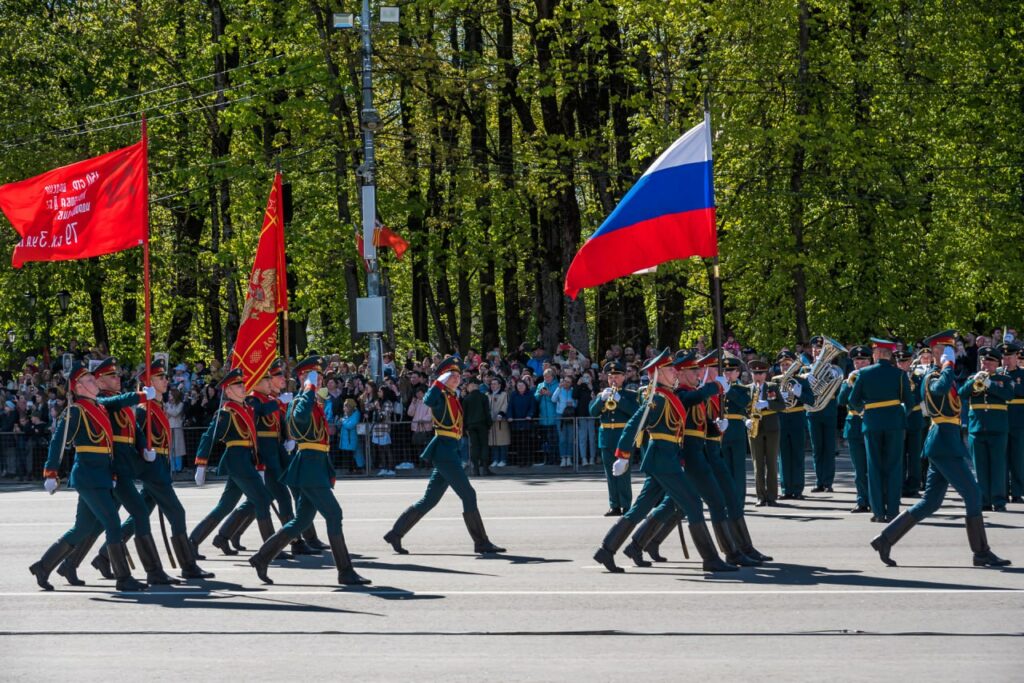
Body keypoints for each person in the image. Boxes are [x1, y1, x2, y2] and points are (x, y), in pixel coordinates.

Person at [871, 331, 1011, 568]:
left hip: (946, 441)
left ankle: (885, 539)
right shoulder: (933, 375)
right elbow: (938, 390)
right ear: (936, 351)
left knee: (931, 502)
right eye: (946, 349)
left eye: (951, 349)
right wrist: (947, 365)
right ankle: (981, 552)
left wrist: (950, 367)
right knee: (974, 495)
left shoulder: (945, 373)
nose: (951, 352)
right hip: (944, 443)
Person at [592, 349, 734, 574]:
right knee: (693, 504)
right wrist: (623, 455)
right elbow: (634, 424)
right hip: (662, 459)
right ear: (656, 373)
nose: (673, 371)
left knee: (639, 510)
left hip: (667, 458)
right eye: (669, 369)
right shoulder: (657, 399)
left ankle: (606, 550)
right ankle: (710, 558)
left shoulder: (669, 395)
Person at [54, 358, 178, 587]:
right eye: (111, 376)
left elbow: (134, 430)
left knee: (97, 523)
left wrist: (143, 447)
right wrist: (141, 396)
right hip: (112, 470)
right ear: (98, 381)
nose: (117, 378)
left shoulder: (109, 404)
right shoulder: (101, 403)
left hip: (119, 470)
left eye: (117, 375)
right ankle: (150, 572)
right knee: (132, 515)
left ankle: (72, 564)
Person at [249, 356, 370, 585]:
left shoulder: (312, 401)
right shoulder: (300, 401)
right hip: (310, 466)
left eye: (320, 376)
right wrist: (308, 387)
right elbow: (299, 417)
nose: (320, 379)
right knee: (334, 514)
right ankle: (345, 571)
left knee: (300, 521)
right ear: (304, 377)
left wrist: (311, 391)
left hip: (316, 464)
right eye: (315, 375)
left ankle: (262, 557)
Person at [30, 363, 148, 592]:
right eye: (91, 381)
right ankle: (123, 578)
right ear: (79, 386)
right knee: (112, 522)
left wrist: (112, 472)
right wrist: (51, 471)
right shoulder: (76, 410)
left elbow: (108, 443)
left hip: (100, 475)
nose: (96, 383)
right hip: (87, 475)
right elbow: (58, 441)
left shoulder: (99, 408)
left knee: (82, 528)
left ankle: (43, 567)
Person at [383, 357, 505, 555]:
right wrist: (438, 381)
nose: (457, 379)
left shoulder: (452, 396)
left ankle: (395, 534)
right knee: (468, 494)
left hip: (450, 449)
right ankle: (481, 542)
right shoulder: (439, 394)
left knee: (429, 500)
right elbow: (429, 400)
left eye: (458, 376)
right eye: (452, 376)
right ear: (444, 378)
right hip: (445, 452)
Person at [189, 368, 277, 556]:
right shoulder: (226, 413)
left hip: (246, 460)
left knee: (226, 506)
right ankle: (270, 549)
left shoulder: (247, 409)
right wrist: (201, 463)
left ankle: (201, 540)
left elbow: (253, 439)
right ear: (228, 391)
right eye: (238, 385)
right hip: (237, 461)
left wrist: (258, 464)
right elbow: (208, 436)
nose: (243, 387)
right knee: (262, 499)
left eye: (243, 383)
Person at [849, 338, 915, 522]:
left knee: (874, 467)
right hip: (894, 424)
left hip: (872, 424)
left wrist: (865, 411)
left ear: (877, 354)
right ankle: (893, 511)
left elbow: (853, 400)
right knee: (894, 467)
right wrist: (900, 414)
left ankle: (878, 512)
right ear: (890, 355)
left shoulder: (864, 373)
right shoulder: (899, 374)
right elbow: (909, 403)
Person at [961, 346, 1014, 511]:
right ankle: (983, 500)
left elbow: (1009, 396)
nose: (987, 365)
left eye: (990, 362)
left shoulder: (1004, 379)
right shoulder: (973, 377)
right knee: (980, 467)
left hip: (997, 428)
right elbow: (962, 393)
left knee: (998, 467)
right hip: (977, 428)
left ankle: (998, 501)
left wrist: (990, 384)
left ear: (997, 363)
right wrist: (972, 382)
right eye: (984, 361)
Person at [589, 361, 638, 516]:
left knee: (624, 472)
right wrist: (600, 400)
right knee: (610, 474)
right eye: (610, 377)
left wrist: (619, 400)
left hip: (622, 437)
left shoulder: (630, 395)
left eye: (616, 376)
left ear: (623, 377)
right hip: (606, 438)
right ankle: (614, 505)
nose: (613, 379)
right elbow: (592, 412)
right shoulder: (601, 395)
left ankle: (626, 505)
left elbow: (636, 412)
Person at [837, 346, 873, 513]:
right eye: (857, 361)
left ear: (870, 361)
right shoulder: (849, 380)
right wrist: (849, 383)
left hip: (872, 423)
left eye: (863, 360)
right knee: (859, 469)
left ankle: (875, 499)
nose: (859, 363)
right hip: (854, 425)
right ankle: (861, 500)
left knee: (873, 466)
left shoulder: (874, 378)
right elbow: (841, 400)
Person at [745, 359, 785, 506]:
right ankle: (761, 496)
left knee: (772, 463)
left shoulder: (772, 386)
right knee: (758, 464)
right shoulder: (747, 388)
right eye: (755, 373)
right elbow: (741, 408)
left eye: (761, 373)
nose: (758, 376)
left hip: (771, 428)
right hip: (754, 428)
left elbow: (782, 405)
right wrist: (745, 420)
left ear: (766, 374)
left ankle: (772, 496)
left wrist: (768, 404)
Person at [775, 350, 814, 500]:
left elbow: (811, 400)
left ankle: (797, 489)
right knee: (783, 455)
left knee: (797, 454)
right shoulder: (775, 381)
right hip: (781, 418)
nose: (785, 367)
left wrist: (799, 394)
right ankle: (786, 489)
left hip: (797, 417)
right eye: (782, 365)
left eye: (788, 364)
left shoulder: (802, 381)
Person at [806, 337, 839, 493]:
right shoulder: (806, 370)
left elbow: (838, 392)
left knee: (829, 447)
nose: (816, 353)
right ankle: (819, 480)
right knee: (817, 448)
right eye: (814, 350)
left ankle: (828, 482)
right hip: (813, 411)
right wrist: (806, 381)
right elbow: (800, 392)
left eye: (819, 350)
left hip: (829, 410)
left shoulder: (833, 369)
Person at [897, 349, 926, 497]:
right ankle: (899, 485)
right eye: (899, 361)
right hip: (898, 420)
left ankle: (913, 486)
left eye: (905, 361)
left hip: (914, 417)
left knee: (915, 456)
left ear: (910, 362)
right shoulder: (894, 376)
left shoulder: (918, 376)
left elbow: (921, 395)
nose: (902, 364)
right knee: (899, 455)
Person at [1001, 342, 1024, 504]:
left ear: (1017, 357)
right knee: (1001, 459)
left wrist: (1008, 386)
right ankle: (1001, 490)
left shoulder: (1022, 374)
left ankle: (1017, 491)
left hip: (1019, 419)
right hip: (1000, 420)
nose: (1006, 360)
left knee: (1018, 458)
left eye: (1009, 357)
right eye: (1004, 357)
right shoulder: (996, 374)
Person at [462, 377, 492, 476]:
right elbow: (487, 412)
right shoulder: (483, 397)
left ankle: (476, 470)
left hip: (470, 425)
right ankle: (485, 469)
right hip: (482, 424)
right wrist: (489, 424)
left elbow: (464, 415)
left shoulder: (466, 399)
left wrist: (464, 427)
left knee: (474, 446)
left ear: (471, 386)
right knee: (484, 445)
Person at [508, 379, 535, 466]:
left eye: (522, 386)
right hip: (516, 423)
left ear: (525, 386)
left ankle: (528, 461)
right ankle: (520, 461)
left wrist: (530, 415)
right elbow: (510, 407)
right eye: (518, 386)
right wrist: (510, 416)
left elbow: (532, 406)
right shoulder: (513, 395)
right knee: (518, 443)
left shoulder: (530, 394)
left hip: (527, 423)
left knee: (526, 443)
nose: (520, 387)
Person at [487, 378, 511, 469]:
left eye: (495, 384)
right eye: (492, 384)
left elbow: (505, 404)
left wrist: (501, 413)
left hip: (501, 421)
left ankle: (503, 460)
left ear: (499, 385)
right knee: (493, 442)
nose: (493, 385)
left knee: (502, 441)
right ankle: (495, 460)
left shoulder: (504, 394)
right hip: (491, 422)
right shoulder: (488, 394)